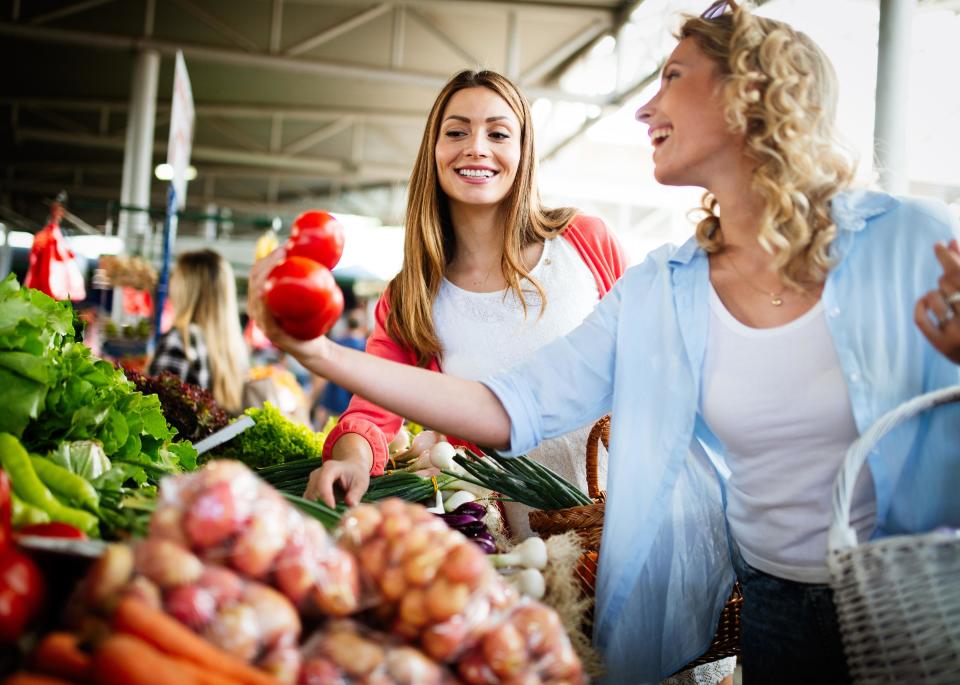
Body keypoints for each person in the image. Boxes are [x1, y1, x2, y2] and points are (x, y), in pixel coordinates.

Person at [248, 3, 960, 682]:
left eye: (672, 80)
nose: (645, 108)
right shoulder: (666, 287)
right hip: (760, 599)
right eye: (457, 131)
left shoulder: (913, 242)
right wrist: (319, 354)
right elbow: (514, 404)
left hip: (922, 604)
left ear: (746, 95)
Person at [305, 69, 626, 543]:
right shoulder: (412, 294)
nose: (476, 146)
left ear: (523, 151)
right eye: (456, 131)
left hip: (623, 526)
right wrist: (349, 460)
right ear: (433, 151)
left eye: (498, 133)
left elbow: (649, 360)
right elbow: (372, 411)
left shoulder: (584, 242)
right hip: (515, 555)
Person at [149, 249, 249, 414]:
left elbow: (154, 417)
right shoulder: (235, 348)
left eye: (176, 278)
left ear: (186, 290)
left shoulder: (180, 341)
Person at [310, 308, 369, 427]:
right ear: (364, 327)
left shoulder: (335, 344)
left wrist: (313, 399)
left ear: (347, 324)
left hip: (332, 401)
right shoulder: (367, 348)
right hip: (354, 407)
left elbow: (321, 377)